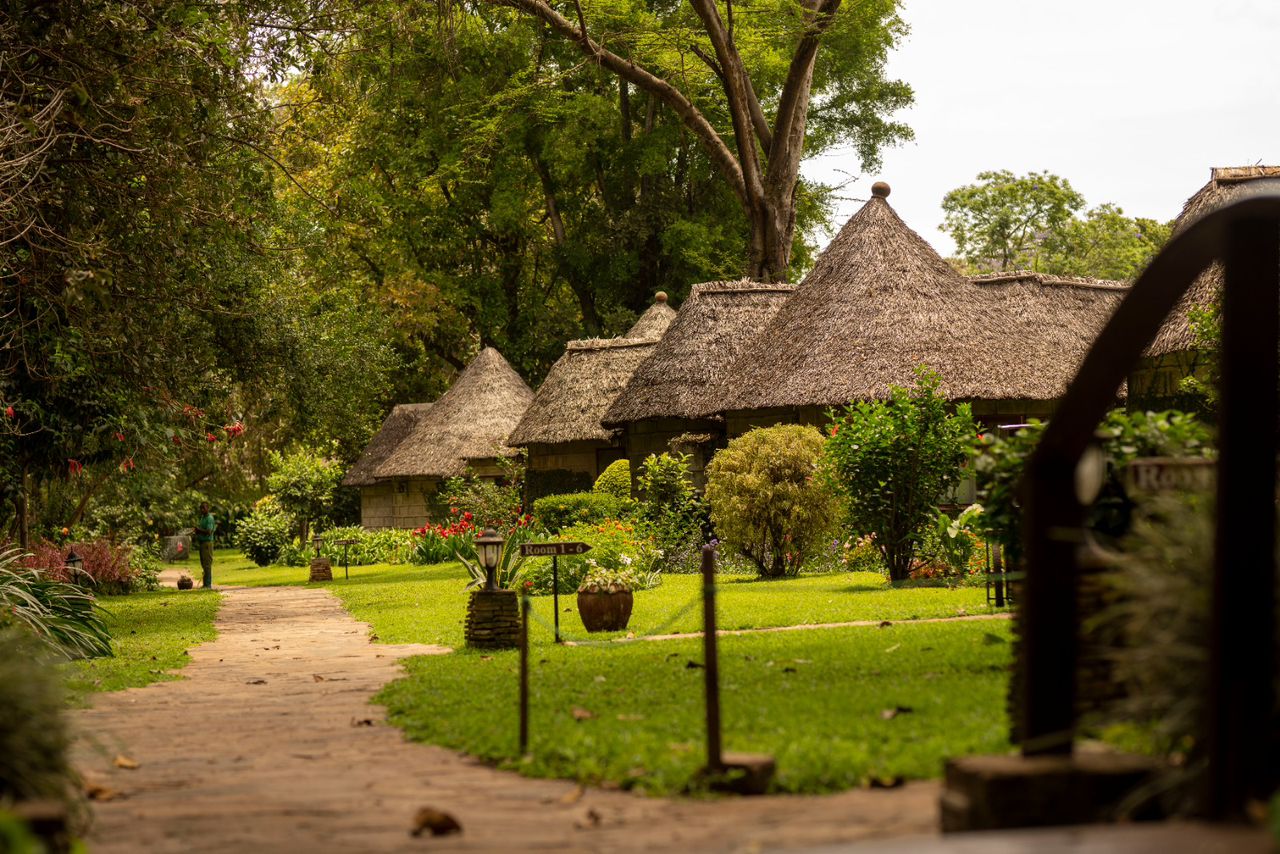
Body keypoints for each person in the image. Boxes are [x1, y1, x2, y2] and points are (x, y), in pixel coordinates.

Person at [194, 502, 216, 589]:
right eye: (201, 508)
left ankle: (208, 584)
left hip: (207, 543)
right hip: (202, 543)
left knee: (207, 564)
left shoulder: (209, 518)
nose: (202, 510)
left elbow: (209, 531)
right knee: (203, 564)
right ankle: (205, 584)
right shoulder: (203, 517)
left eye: (204, 508)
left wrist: (198, 530)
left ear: (208, 508)